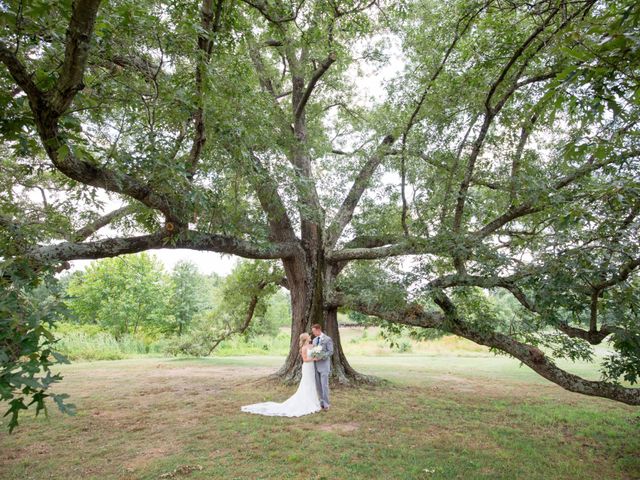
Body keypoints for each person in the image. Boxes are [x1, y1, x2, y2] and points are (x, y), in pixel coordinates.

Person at [240, 333, 321, 417]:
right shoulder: (304, 348)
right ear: (305, 339)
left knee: (312, 383)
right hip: (307, 367)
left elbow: (316, 349)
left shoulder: (310, 346)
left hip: (312, 368)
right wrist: (314, 359)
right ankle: (306, 402)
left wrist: (318, 351)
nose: (310, 337)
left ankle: (311, 401)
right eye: (308, 336)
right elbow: (305, 359)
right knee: (306, 383)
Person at [311, 323, 334, 411]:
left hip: (324, 365)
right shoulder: (314, 340)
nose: (313, 333)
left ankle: (326, 404)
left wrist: (321, 356)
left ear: (318, 330)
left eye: (314, 331)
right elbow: (313, 351)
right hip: (315, 365)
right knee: (318, 385)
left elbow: (330, 351)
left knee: (324, 385)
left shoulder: (327, 339)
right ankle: (321, 402)